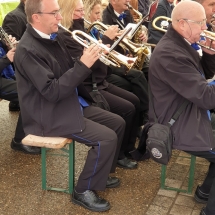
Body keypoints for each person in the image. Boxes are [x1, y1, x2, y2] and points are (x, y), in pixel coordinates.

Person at [15, 0, 126, 212]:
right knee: (106, 138)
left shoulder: (51, 38)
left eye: (58, 12)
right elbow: (52, 91)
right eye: (54, 13)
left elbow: (68, 71)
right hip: (47, 115)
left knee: (118, 123)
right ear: (36, 17)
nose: (59, 17)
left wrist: (91, 56)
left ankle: (100, 175)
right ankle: (83, 190)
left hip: (69, 103)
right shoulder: (28, 49)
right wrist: (84, 64)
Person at [149, 1, 215, 215]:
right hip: (177, 125)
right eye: (202, 23)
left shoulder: (181, 43)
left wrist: (209, 53)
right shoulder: (172, 53)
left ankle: (205, 192)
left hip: (189, 111)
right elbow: (206, 97)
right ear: (184, 24)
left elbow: (202, 77)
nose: (206, 28)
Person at [58, 0, 138, 168]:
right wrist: (106, 41)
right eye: (78, 11)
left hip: (99, 80)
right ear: (67, 12)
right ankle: (119, 155)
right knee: (127, 109)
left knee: (134, 101)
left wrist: (115, 42)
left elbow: (101, 59)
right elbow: (87, 65)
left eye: (82, 10)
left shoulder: (82, 28)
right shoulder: (67, 35)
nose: (82, 15)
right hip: (89, 85)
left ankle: (127, 149)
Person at [0, 34, 40, 154]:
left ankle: (34, 131)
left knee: (37, 84)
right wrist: (6, 59)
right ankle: (20, 140)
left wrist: (7, 46)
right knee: (32, 94)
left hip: (6, 74)